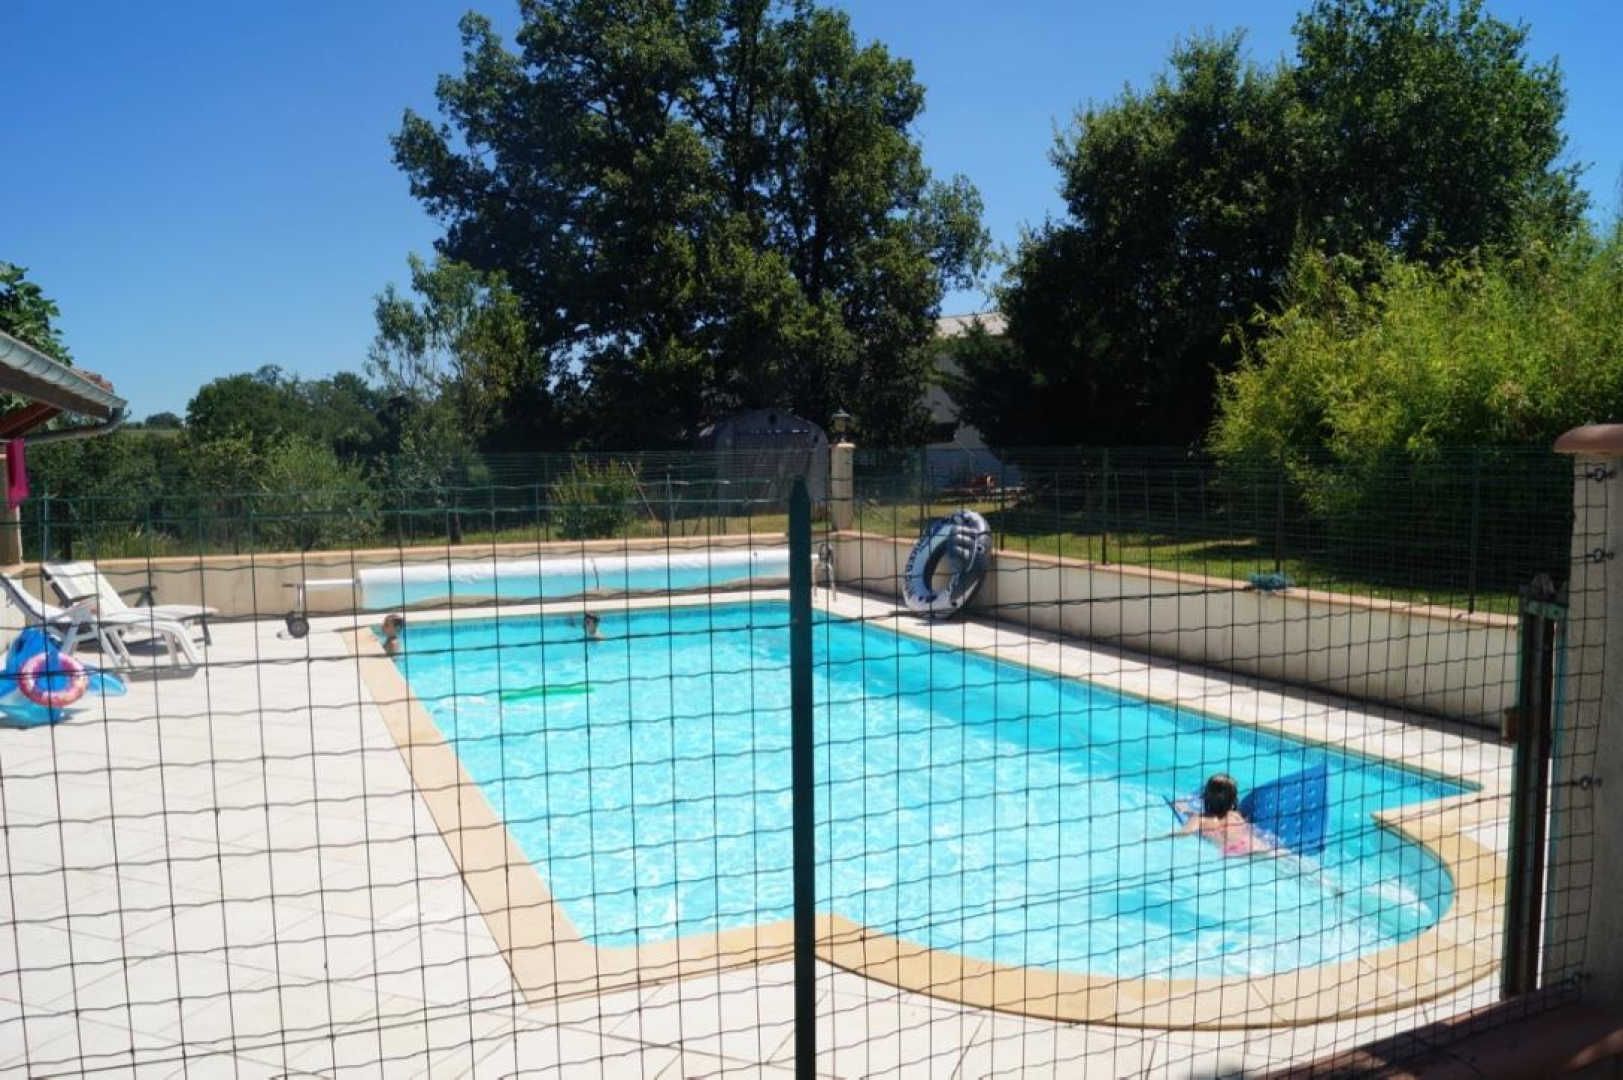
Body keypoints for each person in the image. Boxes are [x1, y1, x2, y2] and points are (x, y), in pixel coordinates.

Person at [1174, 773, 1274, 857]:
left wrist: (1169, 834)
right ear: (1233, 800)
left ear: (1205, 797)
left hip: (1230, 849)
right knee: (1272, 853)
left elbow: (1184, 833)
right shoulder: (1235, 816)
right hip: (1250, 842)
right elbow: (1248, 827)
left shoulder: (1199, 819)